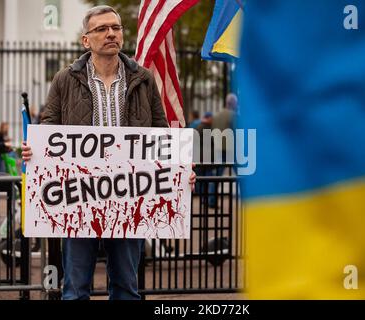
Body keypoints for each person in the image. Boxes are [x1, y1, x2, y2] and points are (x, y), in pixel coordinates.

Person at [21, 5, 196, 300]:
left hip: (129, 197)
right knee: (75, 288)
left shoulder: (143, 78)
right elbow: (48, 131)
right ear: (86, 40)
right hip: (78, 200)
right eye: (101, 29)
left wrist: (179, 170)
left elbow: (161, 133)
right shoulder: (65, 79)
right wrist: (33, 151)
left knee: (126, 287)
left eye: (115, 27)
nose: (111, 33)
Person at [209, 93, 237, 207]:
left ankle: (212, 201)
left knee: (216, 176)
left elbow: (211, 133)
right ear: (233, 104)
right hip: (231, 149)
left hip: (218, 148)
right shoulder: (234, 115)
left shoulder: (216, 116)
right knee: (242, 174)